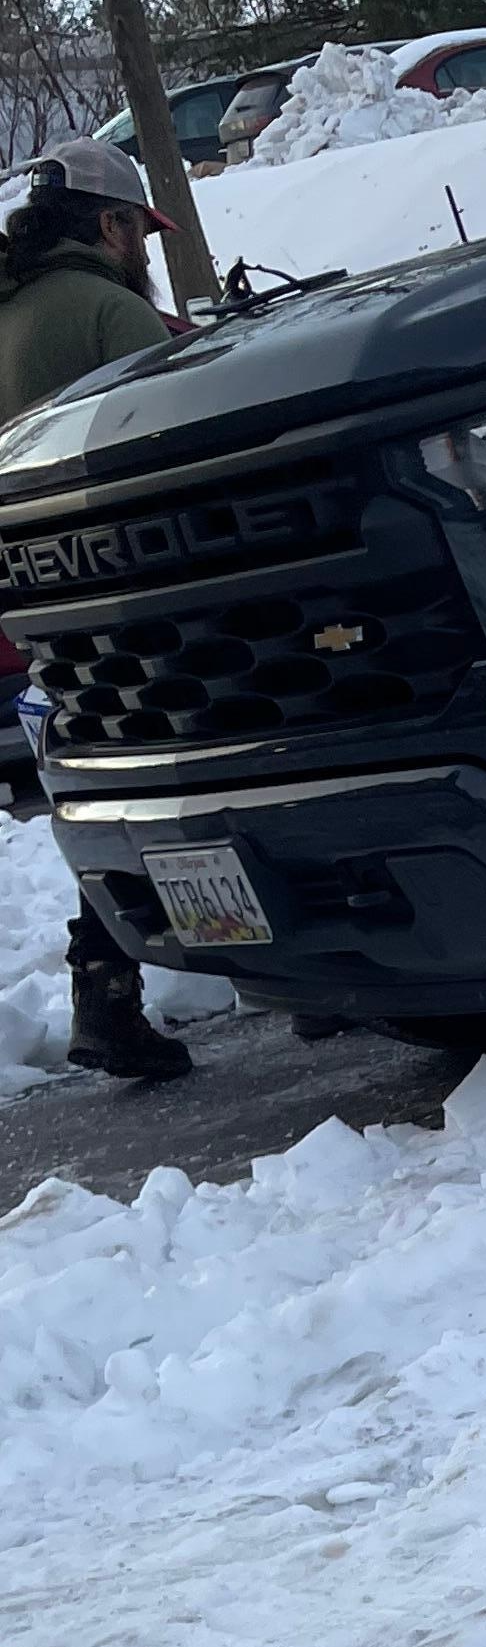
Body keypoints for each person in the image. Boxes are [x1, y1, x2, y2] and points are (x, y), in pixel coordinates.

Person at [0, 137, 192, 1080]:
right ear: (112, 225)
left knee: (106, 795)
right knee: (196, 787)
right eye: (139, 229)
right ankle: (316, 978)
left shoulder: (9, 315)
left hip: (31, 617)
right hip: (135, 600)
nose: (145, 245)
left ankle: (105, 997)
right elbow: (180, 451)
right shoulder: (114, 311)